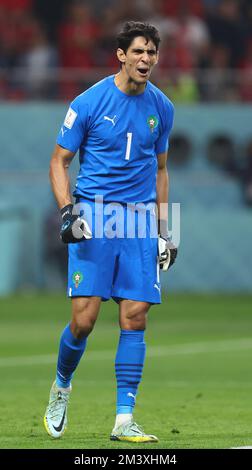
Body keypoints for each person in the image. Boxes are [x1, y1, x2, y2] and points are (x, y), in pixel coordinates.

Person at [44, 21, 177, 443]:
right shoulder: (88, 102)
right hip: (95, 216)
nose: (146, 60)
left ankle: (124, 420)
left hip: (138, 221)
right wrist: (68, 213)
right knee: (84, 321)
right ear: (121, 55)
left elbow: (160, 170)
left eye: (152, 53)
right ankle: (62, 386)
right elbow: (59, 161)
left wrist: (166, 231)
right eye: (139, 52)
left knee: (134, 316)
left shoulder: (162, 107)